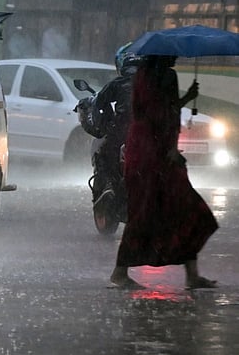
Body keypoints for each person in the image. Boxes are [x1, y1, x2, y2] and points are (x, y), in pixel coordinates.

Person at [109, 54, 218, 290]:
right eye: (173, 52)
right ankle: (121, 272)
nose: (177, 55)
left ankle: (190, 274)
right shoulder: (166, 75)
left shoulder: (142, 75)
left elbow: (158, 108)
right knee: (180, 211)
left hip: (142, 150)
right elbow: (164, 114)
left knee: (157, 211)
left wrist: (186, 98)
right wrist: (169, 148)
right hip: (157, 154)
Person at [90, 43, 142, 210]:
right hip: (151, 132)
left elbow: (99, 102)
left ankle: (109, 186)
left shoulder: (118, 83)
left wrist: (105, 123)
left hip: (124, 129)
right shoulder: (156, 85)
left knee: (104, 154)